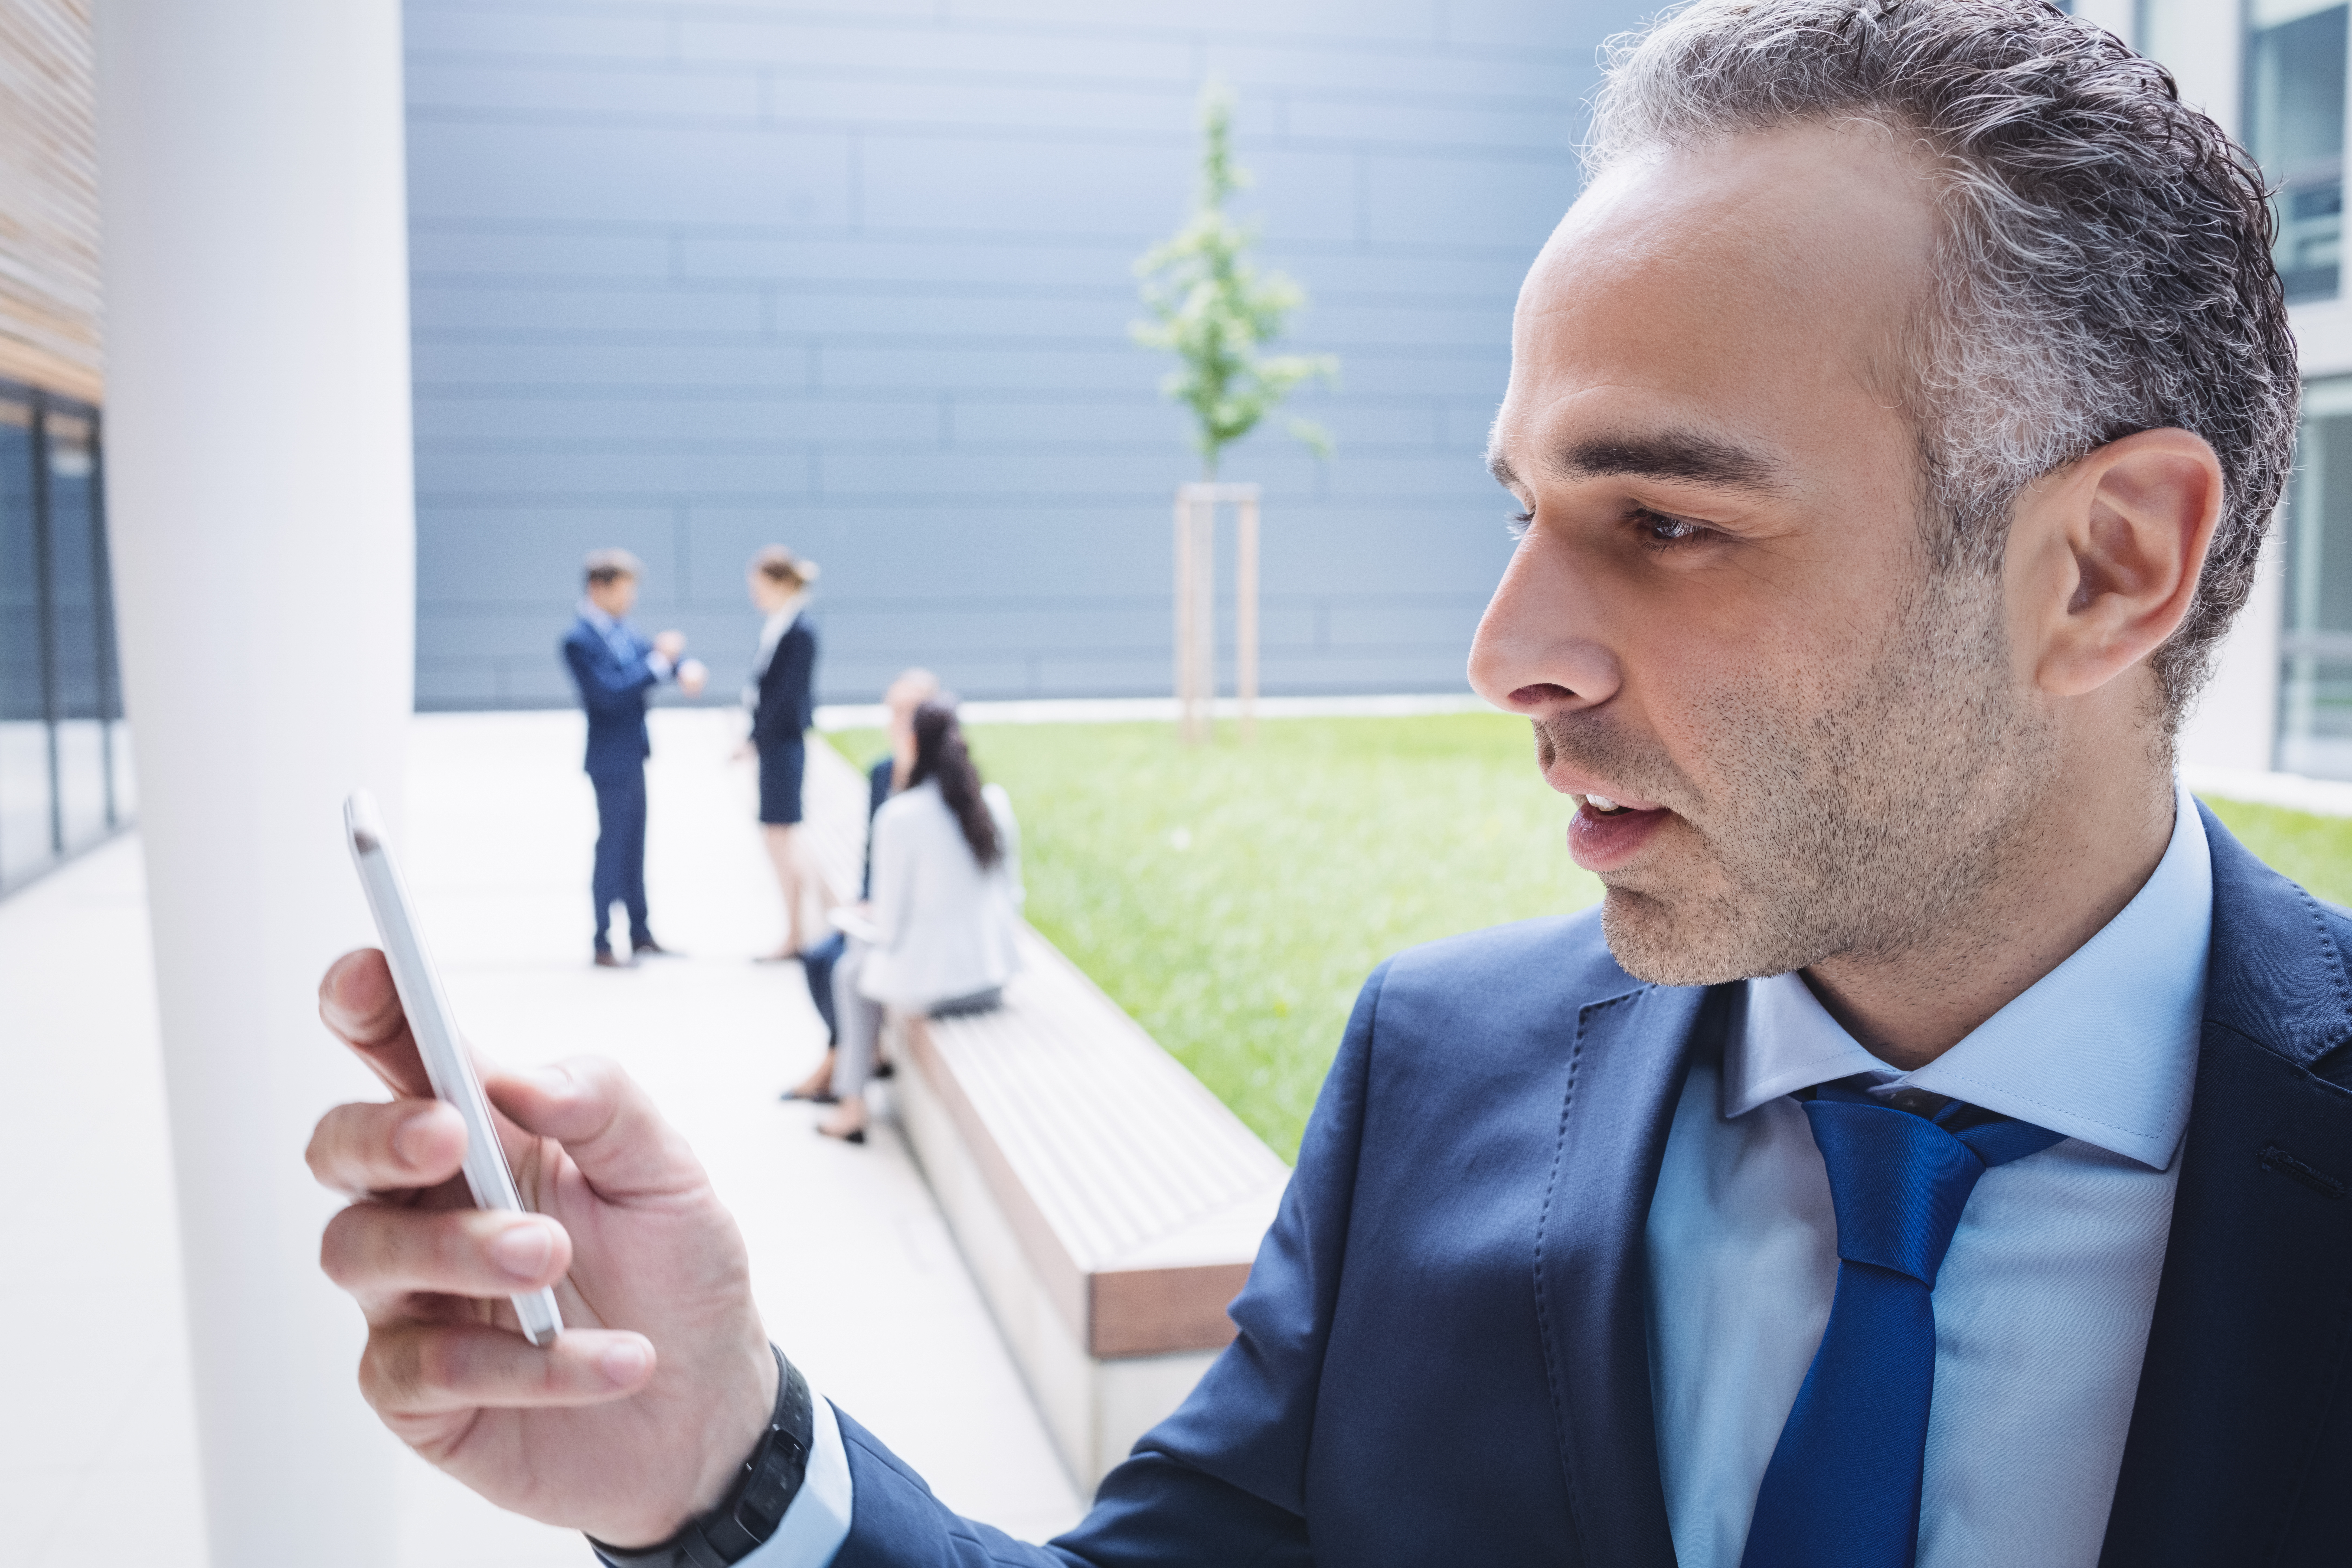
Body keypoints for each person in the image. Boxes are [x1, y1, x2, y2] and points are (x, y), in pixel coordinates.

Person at [304, 5, 2350, 1565]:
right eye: (1523, 508)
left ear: (2099, 569)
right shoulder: (1439, 1079)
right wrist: (721, 1454)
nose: (1498, 653)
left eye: (1658, 518)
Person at [803, 698, 1021, 1145]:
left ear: (914, 744)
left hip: (937, 990)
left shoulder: (901, 817)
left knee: (848, 971)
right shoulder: (993, 804)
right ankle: (861, 1069)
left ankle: (852, 1106)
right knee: (859, 965)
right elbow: (1013, 895)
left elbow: (889, 927)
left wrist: (857, 921)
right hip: (994, 978)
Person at [786, 667, 942, 1093]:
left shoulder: (943, 781)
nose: (900, 723)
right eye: (894, 712)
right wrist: (864, 900)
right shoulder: (882, 773)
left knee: (844, 968)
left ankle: (838, 1066)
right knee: (819, 958)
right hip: (878, 909)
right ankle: (854, 1055)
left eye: (910, 712)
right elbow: (876, 853)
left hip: (915, 918)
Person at [558, 548, 704, 969]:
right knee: (612, 847)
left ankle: (640, 933)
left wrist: (682, 666)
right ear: (598, 588)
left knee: (635, 845)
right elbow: (610, 693)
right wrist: (662, 663)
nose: (631, 600)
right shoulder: (579, 640)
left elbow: (655, 658)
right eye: (624, 591)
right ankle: (603, 940)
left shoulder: (621, 630)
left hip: (634, 753)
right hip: (609, 759)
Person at [742, 545, 827, 960]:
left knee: (783, 837)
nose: (755, 595)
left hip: (783, 744)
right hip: (776, 744)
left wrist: (755, 738)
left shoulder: (799, 630)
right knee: (778, 836)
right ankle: (796, 930)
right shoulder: (781, 626)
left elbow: (783, 697)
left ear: (780, 583)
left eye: (759, 587)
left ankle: (799, 932)